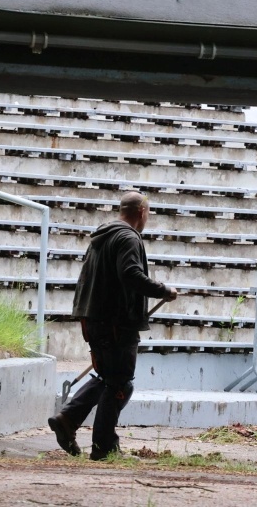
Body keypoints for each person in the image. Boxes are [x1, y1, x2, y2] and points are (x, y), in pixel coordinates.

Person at [48, 191, 177, 460]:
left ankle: (68, 419)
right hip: (116, 322)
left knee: (107, 377)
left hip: (92, 318)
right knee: (121, 383)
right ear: (142, 212)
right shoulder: (128, 237)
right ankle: (104, 447)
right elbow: (130, 274)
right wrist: (162, 289)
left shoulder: (102, 234)